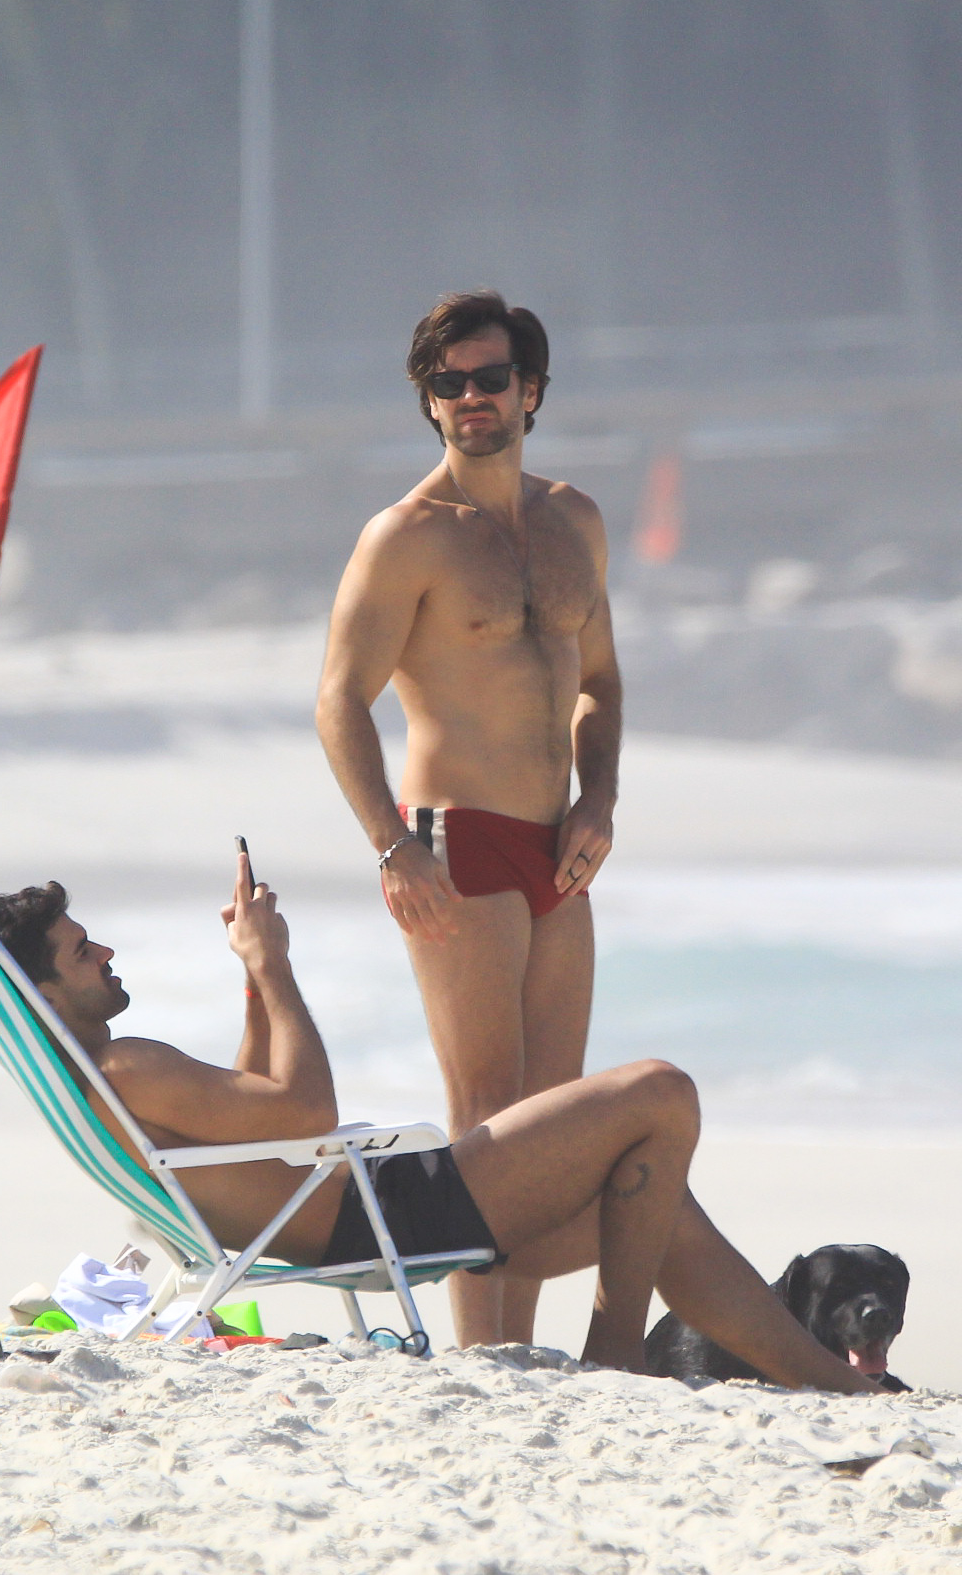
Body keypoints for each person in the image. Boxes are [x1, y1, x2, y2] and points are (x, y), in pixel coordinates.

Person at [0, 863, 881, 1395]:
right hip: (382, 1211)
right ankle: (618, 1354)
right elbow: (304, 1111)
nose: (105, 953)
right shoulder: (126, 1064)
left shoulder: (110, 1081)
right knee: (659, 1092)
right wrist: (278, 963)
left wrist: (252, 977)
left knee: (657, 1200)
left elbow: (254, 1102)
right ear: (45, 991)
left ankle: (832, 1380)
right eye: (82, 951)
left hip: (357, 1208)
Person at [316, 290, 622, 1349]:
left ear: (532, 390)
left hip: (558, 846)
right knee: (487, 1107)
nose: (470, 399)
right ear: (429, 402)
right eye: (448, 384)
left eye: (490, 378)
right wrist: (391, 847)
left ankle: (514, 1344)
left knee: (554, 1113)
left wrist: (602, 796)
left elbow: (604, 683)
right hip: (458, 839)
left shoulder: (574, 521)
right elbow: (336, 701)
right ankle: (478, 1350)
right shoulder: (406, 538)